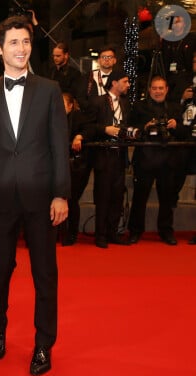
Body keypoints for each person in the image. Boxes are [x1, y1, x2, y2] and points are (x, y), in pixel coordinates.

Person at [0, 16, 70, 376]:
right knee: (0, 269)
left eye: (25, 42)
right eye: (13, 42)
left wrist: (61, 193)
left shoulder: (49, 90)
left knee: (45, 273)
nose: (21, 48)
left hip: (42, 197)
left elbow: (60, 146)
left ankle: (44, 344)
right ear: (0, 48)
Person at [127, 75, 191, 245]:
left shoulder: (176, 108)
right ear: (149, 90)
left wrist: (176, 126)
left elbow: (186, 132)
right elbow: (129, 128)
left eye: (161, 88)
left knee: (167, 200)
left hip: (169, 161)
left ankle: (166, 231)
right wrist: (144, 127)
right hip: (145, 159)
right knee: (139, 198)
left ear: (166, 89)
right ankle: (135, 231)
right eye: (154, 88)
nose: (158, 91)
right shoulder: (139, 107)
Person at [85, 70, 132, 248]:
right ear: (114, 83)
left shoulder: (125, 104)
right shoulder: (97, 101)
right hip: (103, 156)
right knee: (103, 196)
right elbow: (87, 126)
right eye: (125, 81)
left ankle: (113, 232)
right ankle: (101, 234)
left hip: (120, 155)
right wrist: (105, 129)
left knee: (117, 196)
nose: (128, 85)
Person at [61, 92, 94, 246]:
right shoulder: (52, 119)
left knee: (72, 199)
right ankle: (59, 232)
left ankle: (72, 234)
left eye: (62, 104)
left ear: (70, 105)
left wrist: (79, 136)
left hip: (77, 167)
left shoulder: (79, 117)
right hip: (58, 166)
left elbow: (91, 129)